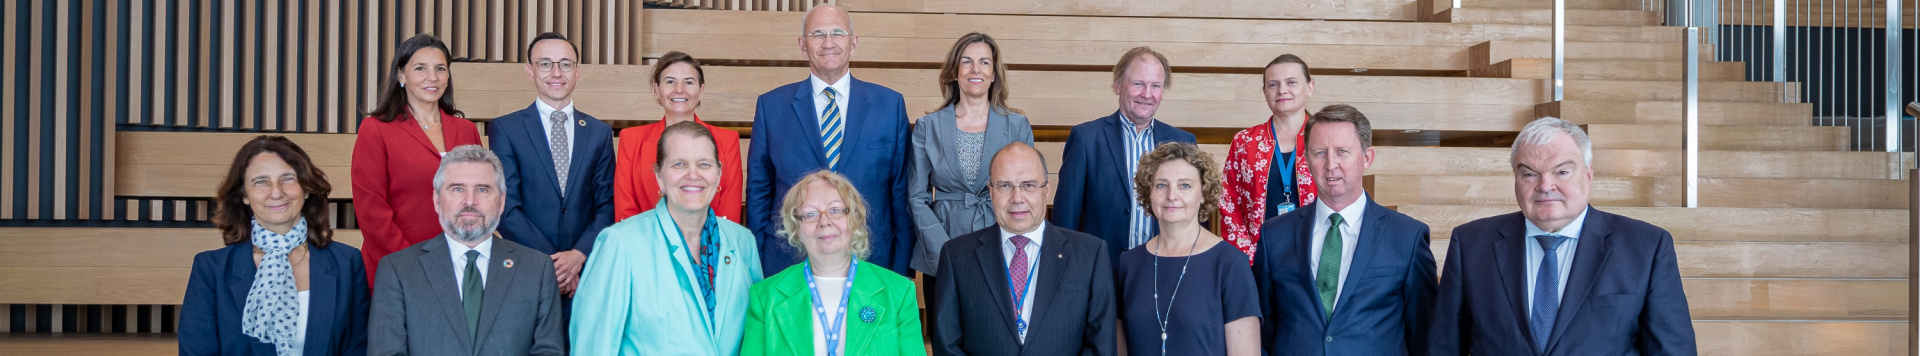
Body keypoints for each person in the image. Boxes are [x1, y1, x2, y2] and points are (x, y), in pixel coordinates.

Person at [1427, 117, 1696, 355]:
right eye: (1529, 174)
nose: (1545, 186)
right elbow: (1444, 346)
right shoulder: (1472, 243)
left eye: (1562, 172)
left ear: (1588, 175)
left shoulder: (1646, 246)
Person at [1252, 104, 1436, 355]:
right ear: (1306, 159)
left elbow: (1424, 335)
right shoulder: (1274, 235)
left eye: (1342, 151)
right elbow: (1262, 328)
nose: (1331, 164)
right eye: (1319, 153)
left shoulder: (1407, 237)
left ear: (1367, 158)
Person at [571, 121, 765, 355]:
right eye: (679, 164)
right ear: (659, 175)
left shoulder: (743, 242)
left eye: (704, 164)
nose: (693, 174)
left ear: (719, 173)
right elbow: (593, 347)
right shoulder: (619, 243)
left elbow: (756, 338)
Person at [748, 4, 913, 276]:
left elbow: (900, 193)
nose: (828, 43)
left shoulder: (890, 105)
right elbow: (759, 189)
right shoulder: (771, 106)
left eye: (838, 33)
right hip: (790, 256)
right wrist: (757, 256)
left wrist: (901, 266)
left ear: (853, 42)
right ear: (803, 46)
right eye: (817, 35)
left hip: (873, 256)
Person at [367, 145, 567, 356]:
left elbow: (548, 351)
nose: (470, 201)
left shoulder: (537, 269)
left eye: (482, 189)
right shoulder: (398, 270)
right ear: (436, 200)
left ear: (501, 202)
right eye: (458, 189)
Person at [181, 136, 368, 355]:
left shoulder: (348, 262)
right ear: (244, 196)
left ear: (306, 189)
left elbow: (360, 347)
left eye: (287, 178)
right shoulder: (210, 269)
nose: (277, 192)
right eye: (261, 181)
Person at [933, 142, 1116, 356]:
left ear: (1046, 190)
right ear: (991, 192)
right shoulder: (956, 256)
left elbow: (1100, 347)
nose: (1017, 198)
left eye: (1028, 185)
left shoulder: (1091, 254)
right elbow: (947, 347)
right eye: (1005, 186)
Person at [487, 32, 614, 301]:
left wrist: (578, 256)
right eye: (545, 64)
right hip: (525, 270)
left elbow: (607, 204)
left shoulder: (599, 132)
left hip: (585, 275)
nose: (556, 72)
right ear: (529, 70)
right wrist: (555, 265)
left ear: (577, 72)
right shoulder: (506, 129)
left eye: (565, 64)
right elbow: (505, 206)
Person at [907, 32, 1034, 300]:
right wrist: (945, 251)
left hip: (1001, 247)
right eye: (967, 61)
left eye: (984, 62)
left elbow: (1025, 191)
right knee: (946, 337)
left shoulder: (1017, 126)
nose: (976, 69)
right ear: (954, 71)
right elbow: (916, 197)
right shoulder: (928, 127)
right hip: (942, 246)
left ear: (994, 74)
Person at [741, 171, 925, 356]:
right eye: (810, 214)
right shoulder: (765, 297)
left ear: (854, 219)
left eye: (835, 210)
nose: (824, 222)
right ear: (796, 228)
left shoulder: (899, 292)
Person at [353, 34, 484, 285]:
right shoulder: (376, 129)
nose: (432, 77)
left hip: (459, 265)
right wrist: (411, 264)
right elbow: (371, 209)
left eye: (440, 69)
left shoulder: (466, 129)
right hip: (399, 266)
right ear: (401, 76)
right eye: (420, 68)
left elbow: (480, 196)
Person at [1051, 46, 1196, 264]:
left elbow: (1195, 217)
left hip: (1163, 270)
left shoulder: (1183, 142)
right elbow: (1065, 218)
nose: (1147, 94)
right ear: (1118, 85)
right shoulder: (1086, 138)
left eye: (1155, 86)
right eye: (1138, 83)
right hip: (1100, 271)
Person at [1116, 142, 1260, 356]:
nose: (1171, 195)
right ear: (1149, 192)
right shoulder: (1128, 263)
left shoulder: (1230, 263)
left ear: (1203, 193)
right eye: (1161, 185)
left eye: (1184, 185)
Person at [615, 51, 745, 224]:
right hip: (645, 247)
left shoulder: (727, 141)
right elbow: (626, 211)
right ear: (657, 90)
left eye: (689, 82)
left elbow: (729, 214)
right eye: (670, 82)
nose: (679, 90)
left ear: (701, 91)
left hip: (710, 246)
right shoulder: (631, 139)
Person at [1221, 54, 1320, 261]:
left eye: (1291, 82)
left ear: (1309, 87)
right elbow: (1229, 201)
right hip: (1259, 258)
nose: (1282, 90)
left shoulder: (1325, 138)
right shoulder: (1244, 141)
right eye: (1273, 84)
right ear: (1264, 92)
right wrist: (1248, 257)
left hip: (1316, 256)